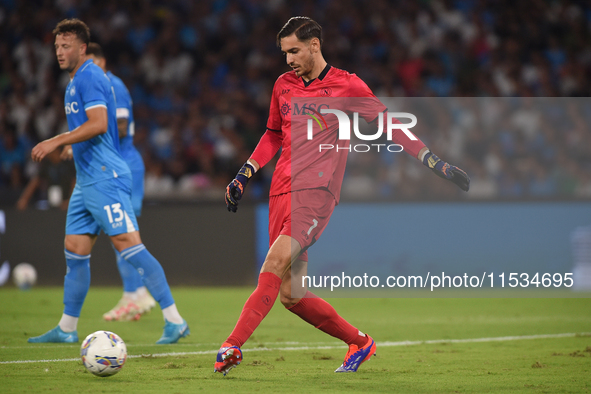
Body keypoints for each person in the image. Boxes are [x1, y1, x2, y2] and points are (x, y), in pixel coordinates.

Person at [215, 16, 469, 375]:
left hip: (316, 194)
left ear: (314, 45)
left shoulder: (347, 86)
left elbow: (390, 125)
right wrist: (245, 172)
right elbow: (273, 134)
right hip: (280, 191)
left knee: (272, 264)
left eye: (294, 51)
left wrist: (433, 161)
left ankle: (231, 346)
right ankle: (360, 342)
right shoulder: (283, 85)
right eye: (284, 53)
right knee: (291, 295)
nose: (288, 60)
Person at [27, 18, 189, 344]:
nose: (59, 51)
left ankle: (175, 320)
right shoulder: (74, 82)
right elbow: (93, 127)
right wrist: (75, 145)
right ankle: (67, 328)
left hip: (106, 177)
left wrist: (59, 140)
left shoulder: (91, 77)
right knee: (75, 248)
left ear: (83, 48)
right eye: (57, 46)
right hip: (86, 179)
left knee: (128, 244)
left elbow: (101, 123)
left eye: (66, 45)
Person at [84, 42, 156, 321]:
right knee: (120, 232)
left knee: (122, 231)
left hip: (123, 163)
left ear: (101, 61)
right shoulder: (97, 87)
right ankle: (135, 294)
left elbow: (122, 126)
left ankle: (136, 294)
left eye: (90, 63)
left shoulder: (113, 85)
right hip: (111, 164)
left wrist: (87, 137)